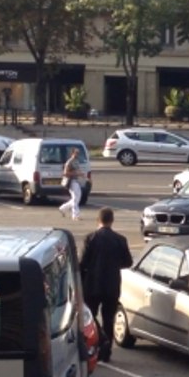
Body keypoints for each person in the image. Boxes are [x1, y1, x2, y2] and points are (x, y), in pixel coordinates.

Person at [79, 207, 134, 362]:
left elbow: (82, 262)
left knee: (90, 317)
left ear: (98, 220)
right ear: (112, 220)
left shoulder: (91, 238)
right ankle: (107, 350)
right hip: (112, 284)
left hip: (93, 284)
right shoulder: (120, 239)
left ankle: (96, 345)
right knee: (109, 318)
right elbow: (128, 262)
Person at [57, 147, 85, 221]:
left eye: (78, 153)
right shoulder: (69, 162)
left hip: (76, 181)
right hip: (71, 181)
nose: (77, 154)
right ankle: (75, 215)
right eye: (76, 153)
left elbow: (78, 170)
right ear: (72, 153)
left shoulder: (76, 161)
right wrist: (76, 173)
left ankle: (63, 208)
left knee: (77, 198)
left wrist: (82, 175)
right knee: (76, 198)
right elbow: (65, 173)